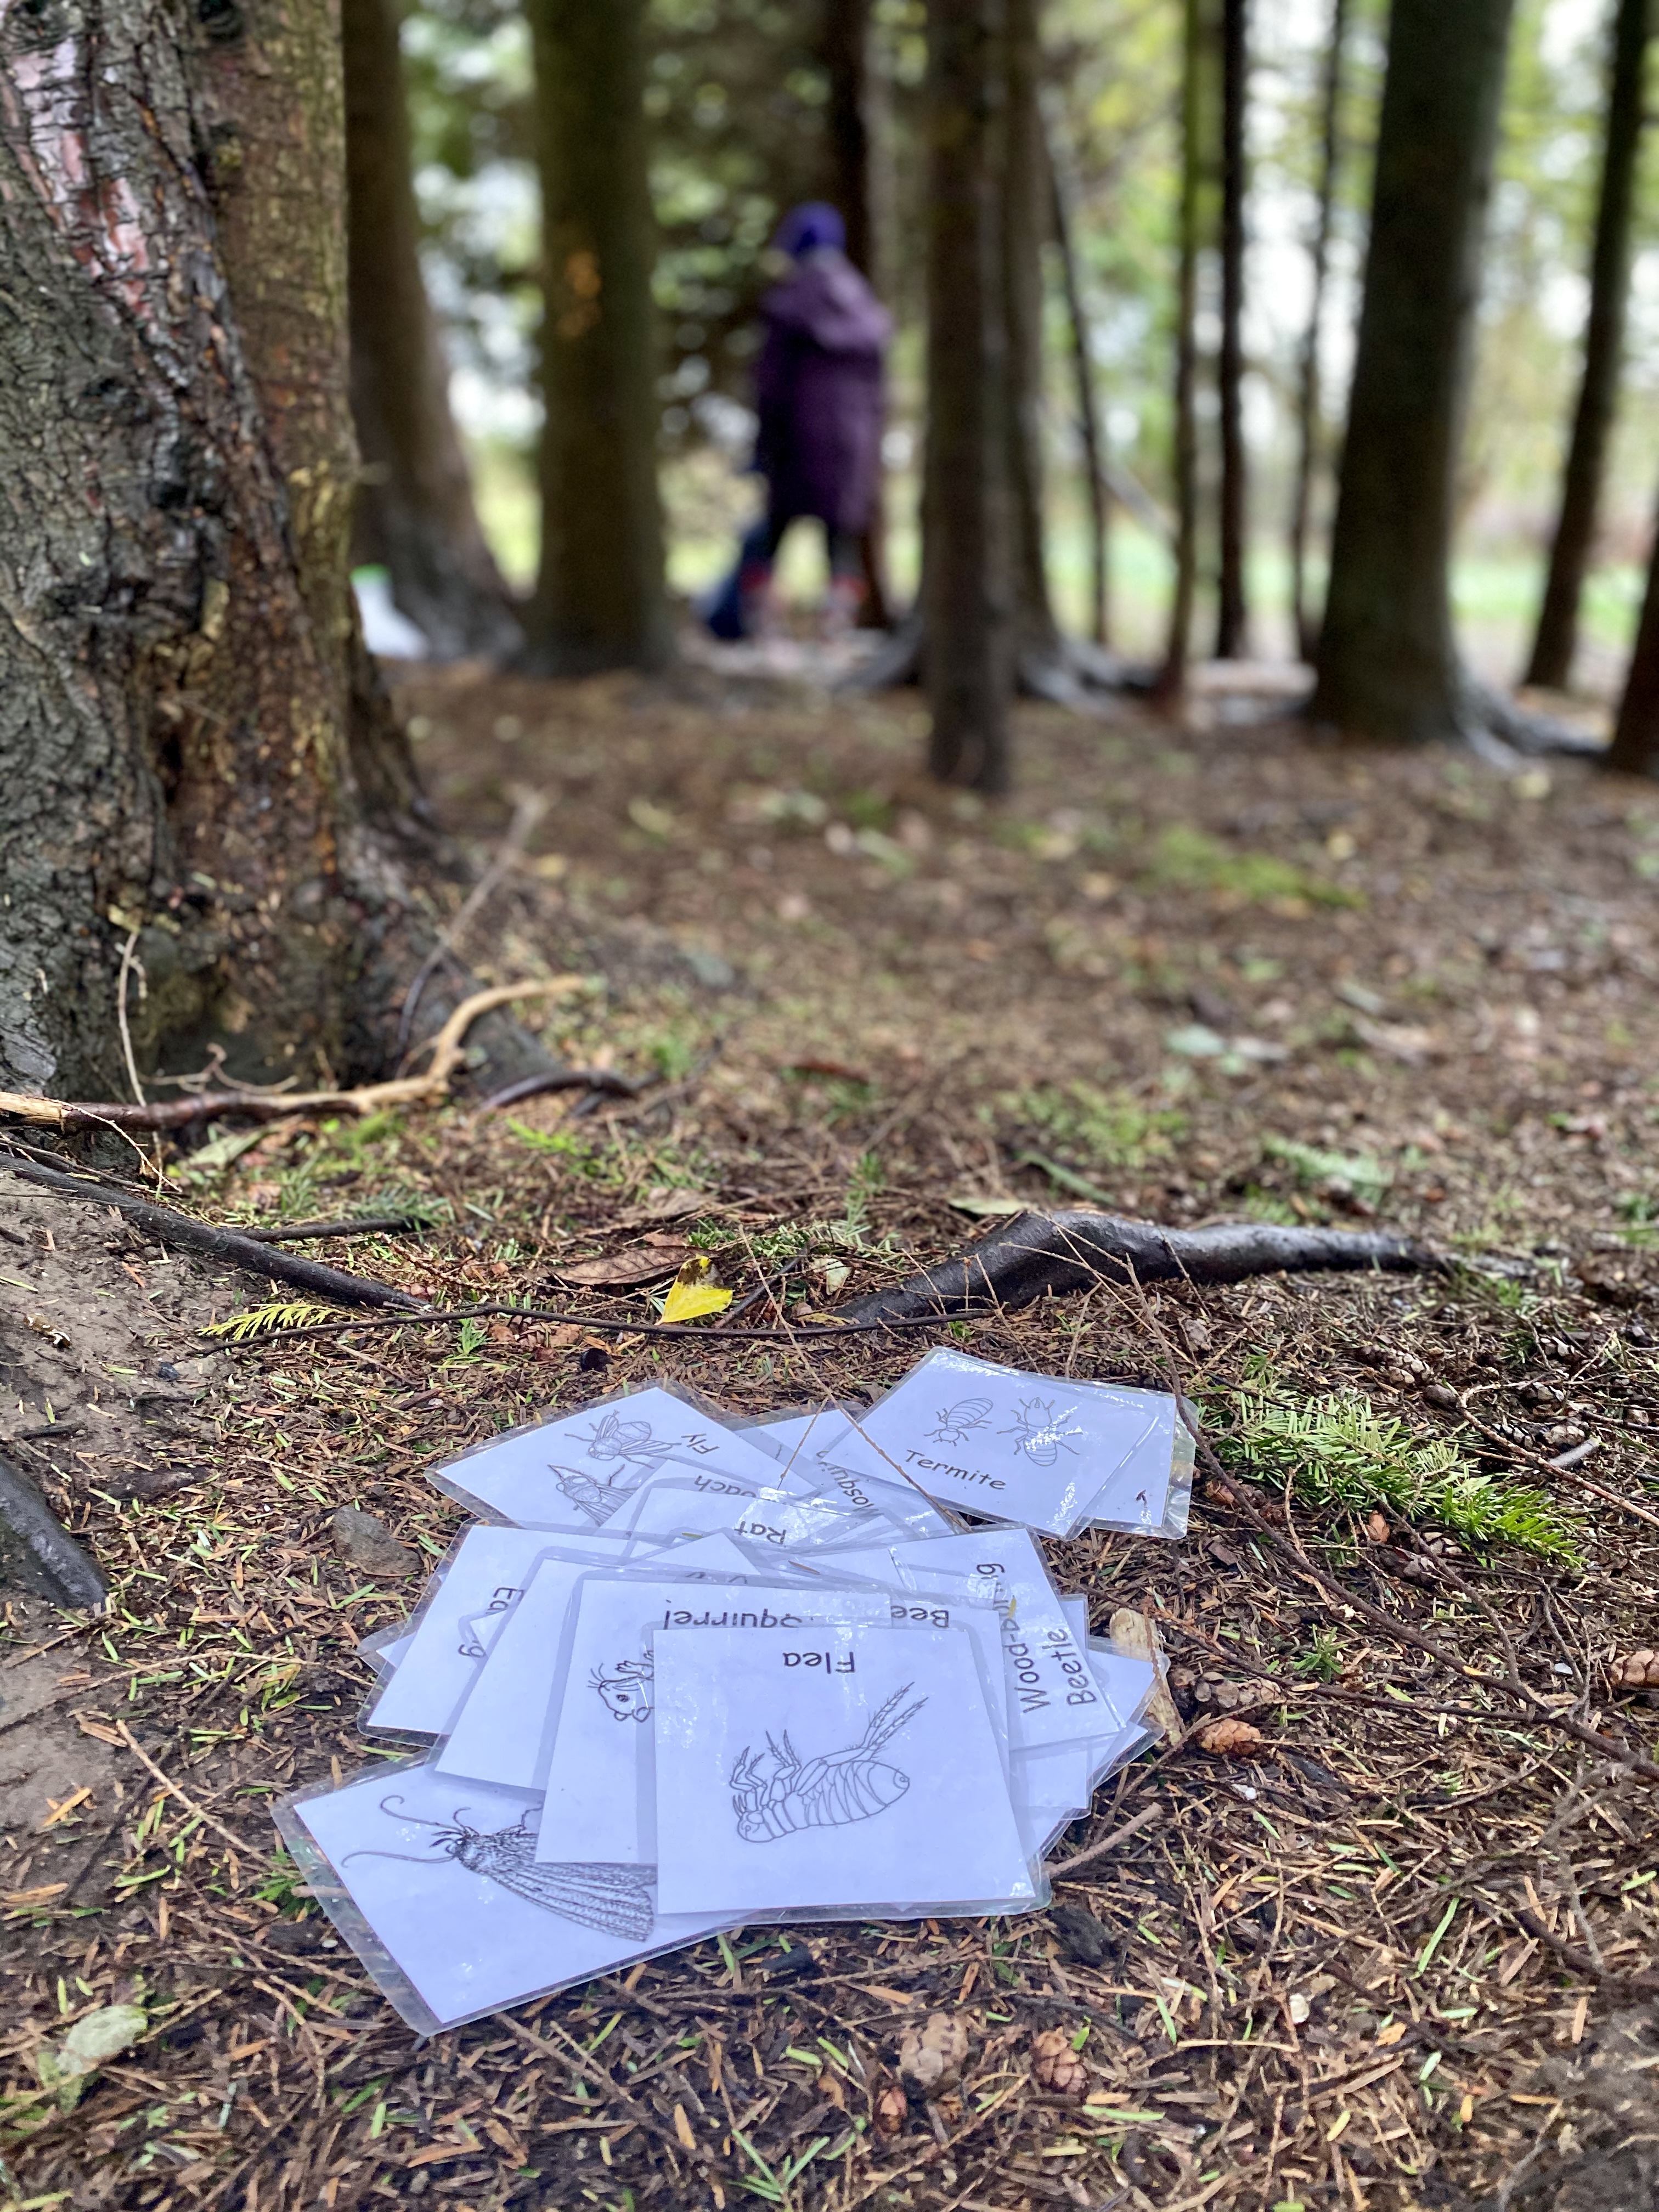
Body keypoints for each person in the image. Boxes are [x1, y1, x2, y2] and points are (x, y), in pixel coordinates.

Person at [705, 202, 891, 641]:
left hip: (796, 444)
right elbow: (879, 393)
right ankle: (835, 630)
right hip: (851, 448)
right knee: (839, 539)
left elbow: (770, 386)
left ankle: (762, 628)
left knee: (771, 535)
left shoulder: (789, 304)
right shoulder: (865, 310)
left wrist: (763, 449)